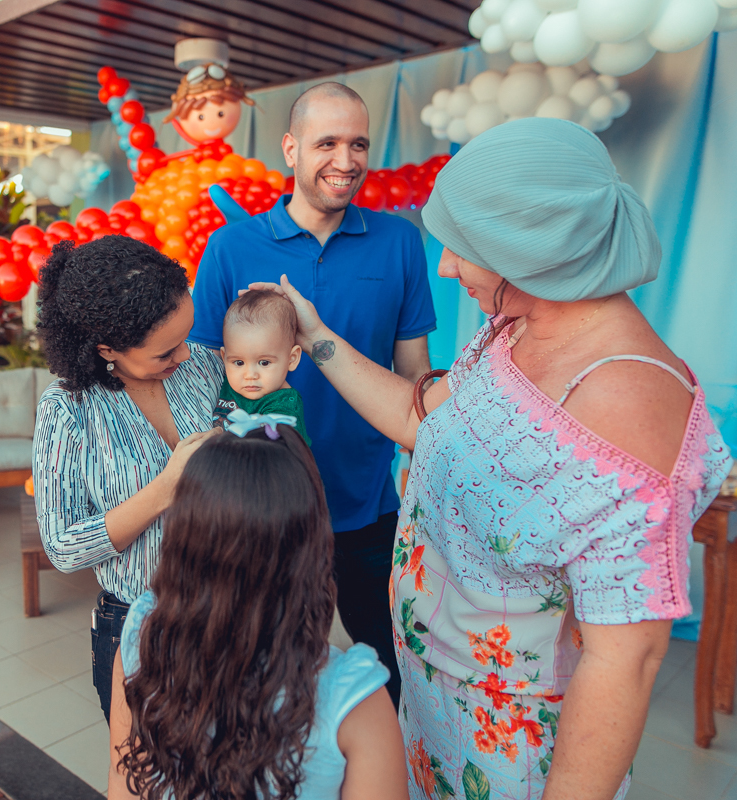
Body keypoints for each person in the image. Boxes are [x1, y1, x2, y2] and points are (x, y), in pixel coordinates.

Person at [256, 117, 732, 799]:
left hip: (514, 760)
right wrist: (315, 333)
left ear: (527, 250)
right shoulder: (512, 331)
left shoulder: (629, 405)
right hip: (431, 713)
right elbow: (418, 419)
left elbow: (623, 663)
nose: (445, 266)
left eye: (460, 247)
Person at [190, 82, 437, 704]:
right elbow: (198, 377)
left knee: (391, 670)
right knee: (262, 672)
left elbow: (415, 381)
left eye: (358, 144)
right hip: (263, 504)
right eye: (327, 143)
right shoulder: (232, 246)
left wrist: (425, 487)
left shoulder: (399, 242)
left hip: (367, 503)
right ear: (291, 149)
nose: (346, 161)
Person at [108, 420, 407, 800]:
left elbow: (123, 787)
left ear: (182, 539)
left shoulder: (142, 635)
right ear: (311, 548)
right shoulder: (353, 698)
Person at [33, 235, 224, 721]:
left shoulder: (203, 367)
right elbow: (62, 547)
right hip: (139, 628)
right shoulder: (67, 409)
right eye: (165, 352)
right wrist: (163, 491)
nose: (185, 354)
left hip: (229, 612)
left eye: (187, 335)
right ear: (107, 349)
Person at [212, 288, 310, 445]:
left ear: (292, 359)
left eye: (264, 362)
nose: (250, 375)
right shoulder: (219, 383)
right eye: (238, 363)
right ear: (224, 358)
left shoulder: (284, 406)